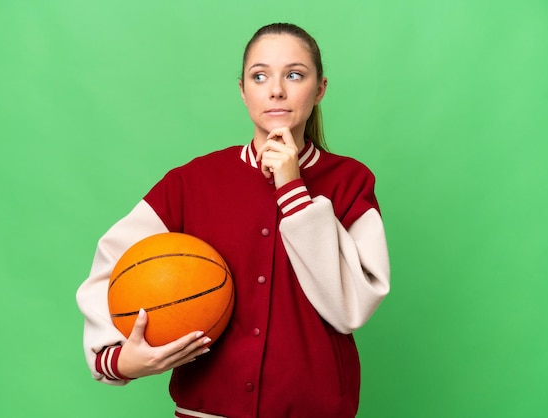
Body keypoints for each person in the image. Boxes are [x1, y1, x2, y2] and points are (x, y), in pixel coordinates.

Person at [77, 22, 390, 418]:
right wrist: (119, 360)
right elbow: (113, 265)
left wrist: (292, 187)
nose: (276, 89)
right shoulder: (190, 183)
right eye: (260, 76)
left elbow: (352, 308)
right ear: (243, 90)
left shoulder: (350, 181)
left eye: (294, 75)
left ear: (320, 88)